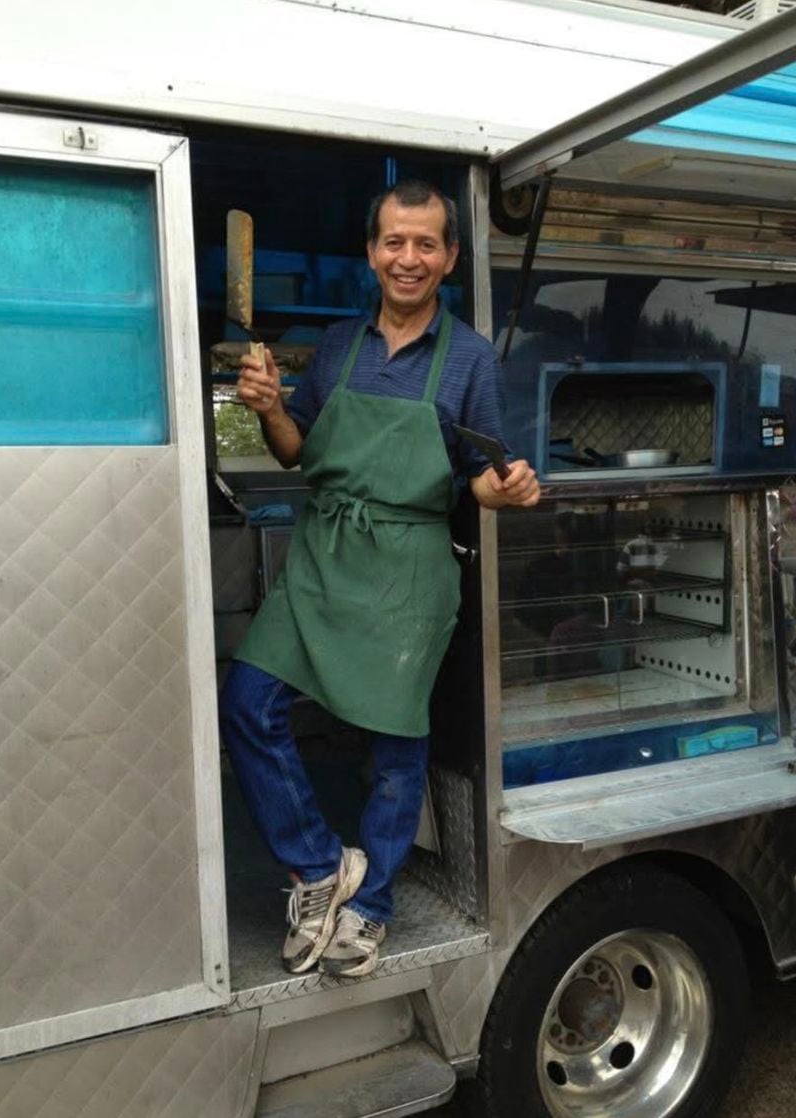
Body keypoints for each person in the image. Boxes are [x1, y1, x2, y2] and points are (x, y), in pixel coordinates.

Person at [220, 179, 539, 979]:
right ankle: (322, 868)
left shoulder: (468, 358)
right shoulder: (338, 346)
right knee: (248, 702)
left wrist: (499, 490)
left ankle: (371, 908)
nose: (409, 258)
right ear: (372, 253)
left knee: (399, 747)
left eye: (426, 244)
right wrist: (267, 409)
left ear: (450, 258)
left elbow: (480, 472)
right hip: (325, 556)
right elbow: (299, 452)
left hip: (408, 567)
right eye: (395, 242)